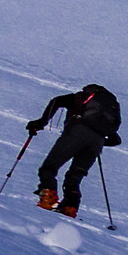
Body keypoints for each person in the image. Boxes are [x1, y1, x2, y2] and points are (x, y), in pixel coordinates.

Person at [28, 84, 121, 216]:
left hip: (76, 132)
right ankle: (70, 207)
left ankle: (48, 198)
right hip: (97, 142)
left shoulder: (79, 98)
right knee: (75, 177)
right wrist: (96, 139)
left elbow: (56, 101)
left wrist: (41, 122)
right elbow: (116, 140)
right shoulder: (107, 112)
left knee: (49, 168)